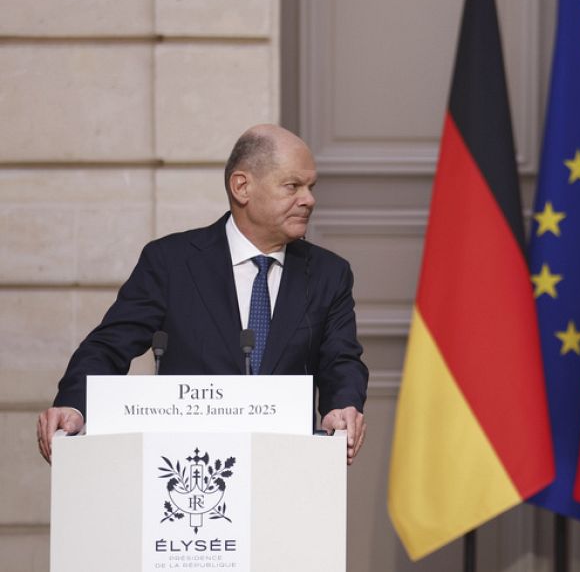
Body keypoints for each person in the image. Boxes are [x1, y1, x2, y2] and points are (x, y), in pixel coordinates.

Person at [37, 125, 368, 465]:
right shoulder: (171, 262)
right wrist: (74, 405)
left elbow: (340, 361)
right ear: (242, 187)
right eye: (293, 186)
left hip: (286, 467)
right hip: (187, 469)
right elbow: (108, 347)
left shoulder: (330, 274)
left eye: (311, 187)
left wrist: (341, 409)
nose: (309, 199)